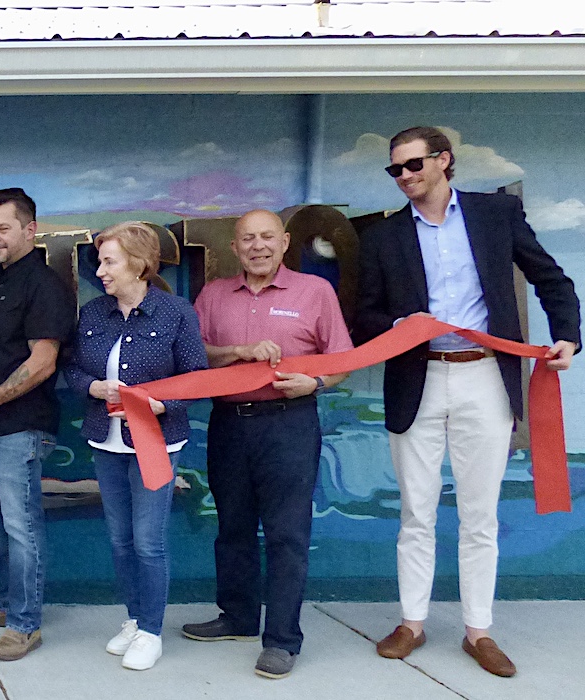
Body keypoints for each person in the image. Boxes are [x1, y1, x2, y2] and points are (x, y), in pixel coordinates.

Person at [355, 126, 580, 677]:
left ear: (443, 160)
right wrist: (399, 325)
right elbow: (363, 318)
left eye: (412, 165)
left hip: (485, 377)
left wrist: (568, 337)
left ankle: (479, 631)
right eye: (395, 170)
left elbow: (552, 279)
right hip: (417, 379)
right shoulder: (384, 238)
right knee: (416, 512)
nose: (404, 177)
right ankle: (412, 622)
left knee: (480, 515)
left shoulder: (495, 215)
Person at [181, 209, 352, 679]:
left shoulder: (315, 292)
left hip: (289, 422)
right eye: (248, 239)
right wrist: (236, 352)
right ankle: (237, 617)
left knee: (286, 533)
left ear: (285, 242)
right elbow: (193, 353)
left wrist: (314, 384)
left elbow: (341, 361)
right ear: (234, 248)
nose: (258, 246)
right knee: (232, 525)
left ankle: (281, 639)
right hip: (229, 423)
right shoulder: (214, 294)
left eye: (267, 237)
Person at [63, 222, 208, 671]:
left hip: (156, 441)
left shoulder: (176, 312)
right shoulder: (92, 314)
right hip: (105, 440)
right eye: (100, 262)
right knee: (120, 541)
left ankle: (151, 630)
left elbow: (196, 376)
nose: (101, 272)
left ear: (139, 263)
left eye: (109, 262)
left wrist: (160, 404)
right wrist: (94, 389)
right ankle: (133, 618)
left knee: (148, 541)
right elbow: (71, 370)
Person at [0, 188, 75, 661]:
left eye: (3, 228)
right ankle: (6, 604)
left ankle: (26, 625)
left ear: (30, 229)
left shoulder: (44, 286)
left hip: (21, 427)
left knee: (22, 527)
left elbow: (43, 362)